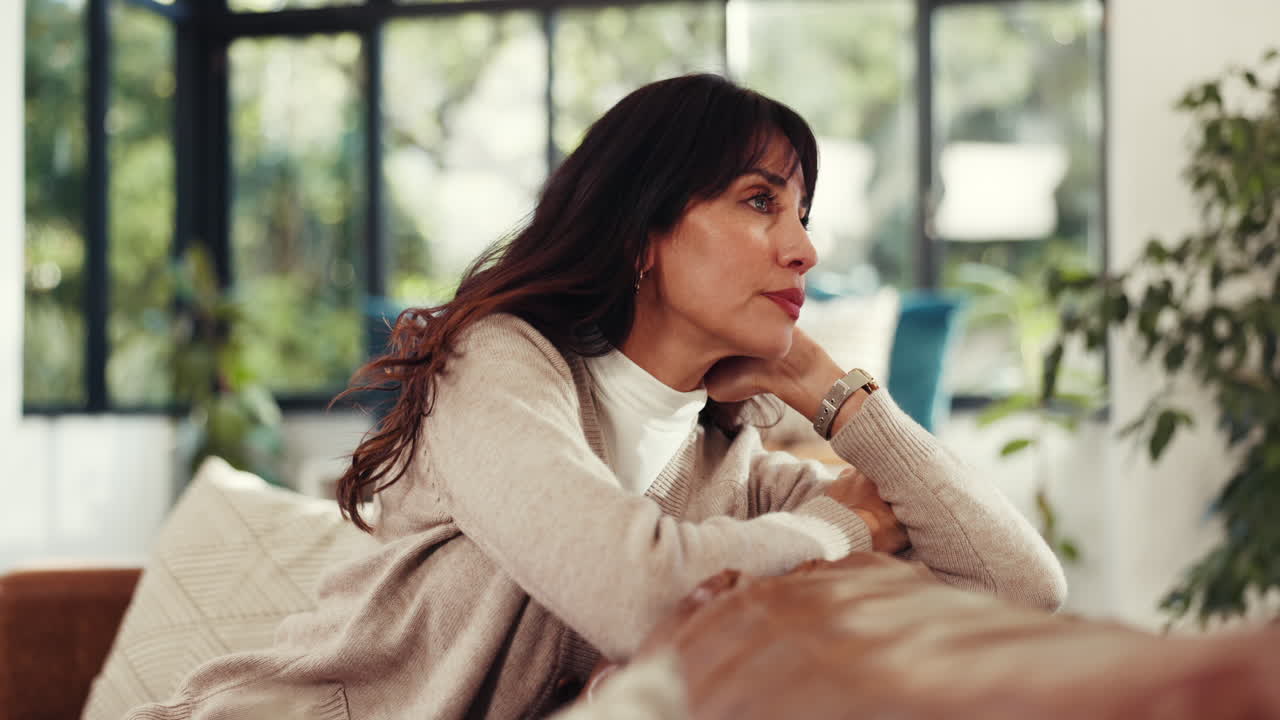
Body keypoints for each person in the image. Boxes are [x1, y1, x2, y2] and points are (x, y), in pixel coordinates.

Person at [125, 73, 1065, 720]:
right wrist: (842, 529)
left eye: (803, 214)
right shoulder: (496, 364)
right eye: (759, 202)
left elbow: (1020, 586)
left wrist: (832, 391)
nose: (805, 249)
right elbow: (633, 590)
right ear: (641, 232)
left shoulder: (734, 475)